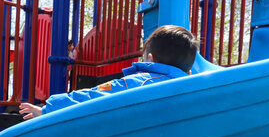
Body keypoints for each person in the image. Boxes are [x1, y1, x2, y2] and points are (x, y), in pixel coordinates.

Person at [19, 25, 198, 119]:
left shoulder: (138, 82)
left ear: (150, 58)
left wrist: (48, 108)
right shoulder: (194, 89)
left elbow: (93, 94)